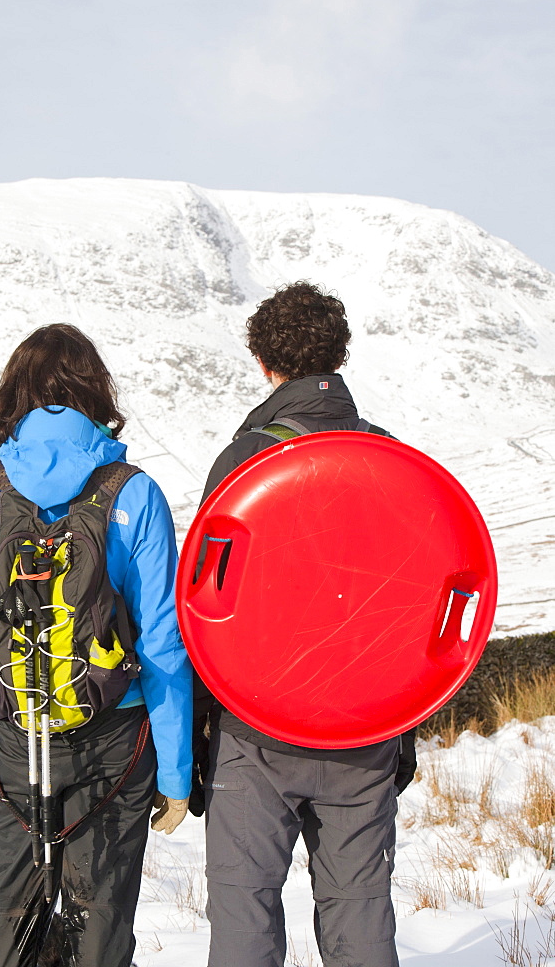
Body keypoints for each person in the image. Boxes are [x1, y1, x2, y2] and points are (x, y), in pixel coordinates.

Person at [0, 324, 192, 967]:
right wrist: (177, 771)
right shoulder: (134, 493)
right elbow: (163, 644)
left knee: (8, 905)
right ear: (97, 395)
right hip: (116, 735)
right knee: (100, 909)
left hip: (14, 734)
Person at [194, 282, 417, 967]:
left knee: (244, 909)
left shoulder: (243, 464)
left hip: (255, 727)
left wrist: (205, 731)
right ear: (338, 356)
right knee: (361, 913)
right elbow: (416, 602)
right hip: (365, 725)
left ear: (264, 362)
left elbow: (205, 605)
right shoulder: (392, 461)